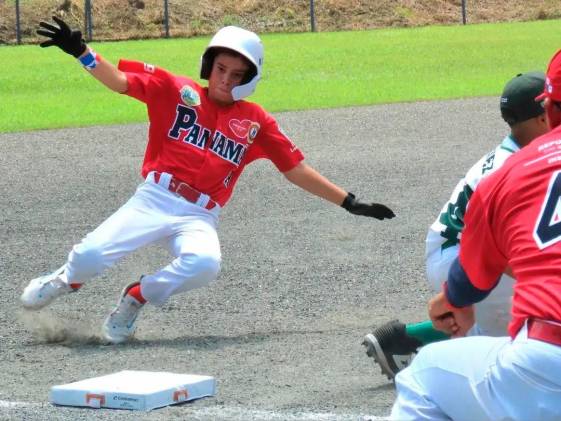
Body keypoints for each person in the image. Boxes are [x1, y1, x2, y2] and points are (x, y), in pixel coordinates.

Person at [21, 17, 395, 344]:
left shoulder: (256, 121)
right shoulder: (176, 90)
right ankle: (65, 280)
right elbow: (120, 82)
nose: (226, 79)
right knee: (88, 257)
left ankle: (136, 296)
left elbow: (294, 168)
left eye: (237, 75)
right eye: (221, 69)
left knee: (205, 264)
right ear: (208, 65)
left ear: (250, 80)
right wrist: (83, 52)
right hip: (154, 198)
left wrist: (348, 201)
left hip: (200, 215)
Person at [390, 48, 561, 421]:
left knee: (485, 354)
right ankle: (418, 340)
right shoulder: (508, 166)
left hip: (468, 261)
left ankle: (423, 338)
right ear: (539, 117)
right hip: (457, 254)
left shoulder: (517, 163)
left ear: (550, 111)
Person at [362, 71, 549, 379]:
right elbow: (501, 251)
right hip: (460, 256)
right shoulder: (515, 168)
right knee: (520, 346)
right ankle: (436, 365)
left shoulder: (518, 152)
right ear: (542, 117)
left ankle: (407, 340)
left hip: (456, 251)